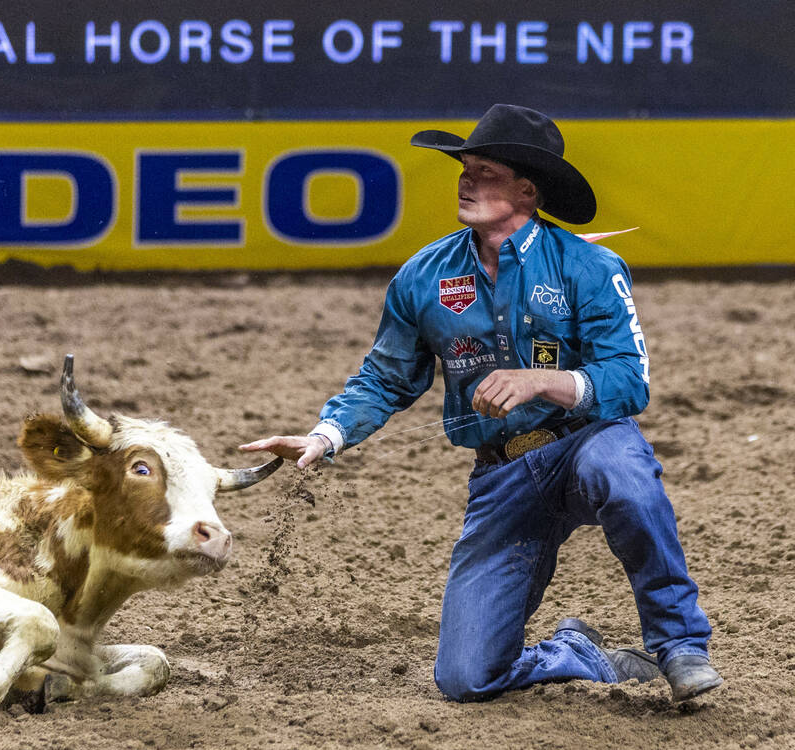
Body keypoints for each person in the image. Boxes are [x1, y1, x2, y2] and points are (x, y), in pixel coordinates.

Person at [242, 104, 722, 703]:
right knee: (467, 677)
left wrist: (540, 381)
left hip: (585, 440)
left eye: (485, 172)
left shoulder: (590, 266)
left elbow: (629, 381)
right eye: (464, 170)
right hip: (502, 472)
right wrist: (324, 436)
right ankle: (579, 653)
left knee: (623, 472)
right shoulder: (424, 277)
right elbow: (387, 378)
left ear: (527, 191)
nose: (466, 181)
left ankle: (679, 644)